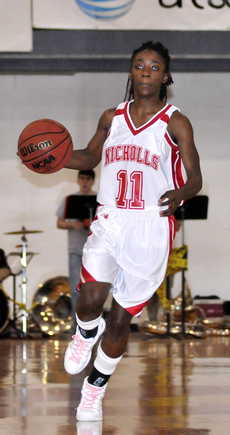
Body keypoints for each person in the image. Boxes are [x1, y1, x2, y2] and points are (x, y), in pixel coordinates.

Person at [63, 41, 202, 422]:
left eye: (154, 67)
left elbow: (195, 180)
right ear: (130, 72)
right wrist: (55, 158)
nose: (145, 71)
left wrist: (180, 194)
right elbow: (90, 157)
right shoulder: (112, 117)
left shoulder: (175, 121)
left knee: (122, 320)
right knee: (91, 297)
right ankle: (84, 332)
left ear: (165, 75)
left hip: (152, 226)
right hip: (111, 219)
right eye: (139, 65)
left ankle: (94, 389)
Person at [56, 169, 96, 331]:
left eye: (88, 179)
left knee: (93, 290)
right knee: (75, 289)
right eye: (82, 178)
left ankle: (92, 325)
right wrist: (73, 224)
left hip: (94, 252)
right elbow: (59, 223)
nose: (85, 182)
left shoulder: (99, 199)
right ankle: (76, 326)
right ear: (78, 180)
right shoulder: (69, 200)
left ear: (92, 181)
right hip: (75, 251)